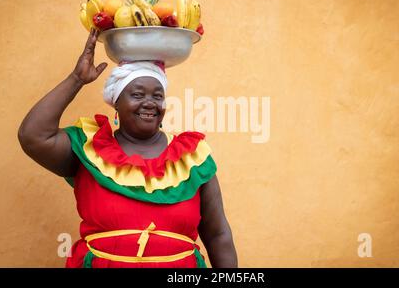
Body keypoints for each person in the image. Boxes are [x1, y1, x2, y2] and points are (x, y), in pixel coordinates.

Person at [17, 28, 238, 268]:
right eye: (137, 94)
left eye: (157, 95)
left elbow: (218, 235)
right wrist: (77, 79)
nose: (149, 102)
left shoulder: (192, 157)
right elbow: (33, 135)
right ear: (116, 103)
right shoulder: (88, 149)